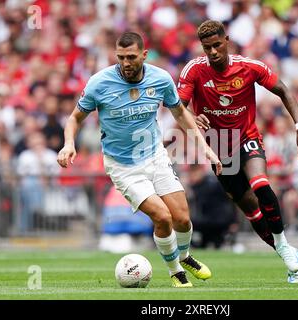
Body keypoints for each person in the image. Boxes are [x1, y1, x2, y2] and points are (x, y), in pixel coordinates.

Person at [57, 32, 222, 288]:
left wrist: (206, 148)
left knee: (182, 218)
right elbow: (75, 118)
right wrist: (68, 143)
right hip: (123, 166)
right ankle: (176, 271)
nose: (125, 62)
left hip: (154, 154)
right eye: (121, 57)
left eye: (131, 57)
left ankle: (186, 256)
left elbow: (180, 113)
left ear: (144, 55)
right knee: (163, 217)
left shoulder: (160, 78)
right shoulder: (99, 83)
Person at [177, 20, 298, 283]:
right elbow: (177, 108)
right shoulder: (194, 70)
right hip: (218, 149)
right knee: (251, 209)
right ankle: (285, 252)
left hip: (247, 139)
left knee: (260, 185)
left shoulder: (250, 67)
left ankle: (283, 243)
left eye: (217, 45)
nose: (213, 52)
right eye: (207, 48)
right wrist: (193, 115)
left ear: (227, 40)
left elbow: (283, 90)